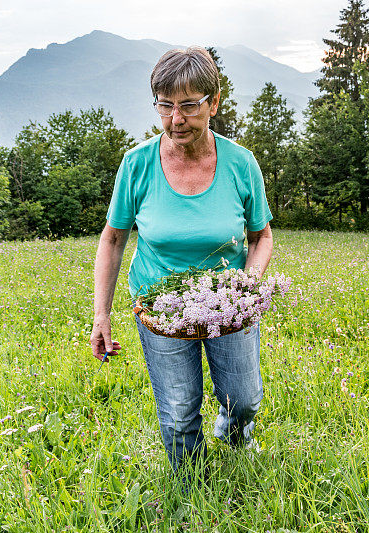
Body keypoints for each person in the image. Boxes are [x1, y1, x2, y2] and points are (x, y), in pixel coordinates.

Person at [89, 47, 274, 476]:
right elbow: (113, 239)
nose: (176, 120)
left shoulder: (241, 164)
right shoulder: (136, 164)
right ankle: (190, 488)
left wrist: (247, 286)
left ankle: (234, 441)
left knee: (243, 399)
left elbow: (261, 236)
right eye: (166, 106)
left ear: (214, 102)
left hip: (228, 304)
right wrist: (101, 314)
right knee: (177, 410)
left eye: (189, 106)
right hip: (160, 307)